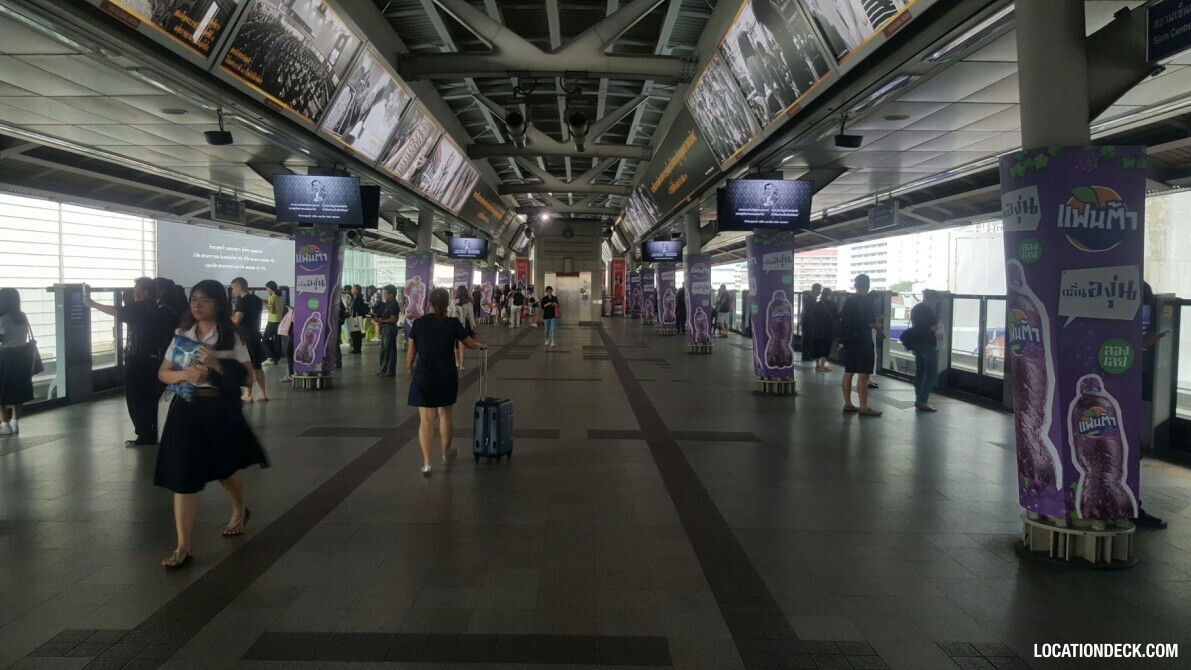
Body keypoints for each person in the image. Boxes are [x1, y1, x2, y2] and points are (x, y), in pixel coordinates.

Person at [155, 280, 268, 569]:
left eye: (205, 300)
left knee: (223, 469)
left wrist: (217, 365)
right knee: (184, 477)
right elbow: (163, 373)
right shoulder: (182, 335)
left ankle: (239, 509)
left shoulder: (231, 337)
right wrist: (185, 376)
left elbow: (247, 378)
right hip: (186, 409)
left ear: (218, 303)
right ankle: (183, 546)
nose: (197, 304)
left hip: (218, 409)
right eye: (194, 299)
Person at [407, 287, 487, 476]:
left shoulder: (418, 323)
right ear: (446, 304)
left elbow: (411, 351)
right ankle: (445, 453)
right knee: (445, 415)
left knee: (426, 420)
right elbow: (468, 343)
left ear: (429, 303)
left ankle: (427, 463)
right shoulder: (453, 323)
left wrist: (408, 368)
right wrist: (481, 346)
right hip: (446, 375)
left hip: (424, 375)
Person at [84, 277, 170, 445]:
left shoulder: (140, 308)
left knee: (136, 397)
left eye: (136, 288)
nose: (133, 292)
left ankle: (144, 433)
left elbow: (118, 311)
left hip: (137, 359)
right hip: (155, 359)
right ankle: (154, 430)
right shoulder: (158, 309)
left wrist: (93, 304)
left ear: (145, 292)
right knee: (151, 396)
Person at [838, 274, 882, 417]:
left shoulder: (849, 300)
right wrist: (877, 324)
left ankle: (848, 403)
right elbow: (869, 322)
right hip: (863, 340)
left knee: (848, 372)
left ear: (856, 285)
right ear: (867, 286)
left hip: (849, 340)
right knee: (863, 374)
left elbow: (843, 317)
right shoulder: (867, 301)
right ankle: (863, 406)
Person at [0, 288, 34, 436]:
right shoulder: (23, 316)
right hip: (22, 357)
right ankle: (15, 422)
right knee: (18, 390)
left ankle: (4, 424)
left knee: (1, 391)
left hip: (5, 357)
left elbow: (2, 338)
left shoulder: (4, 319)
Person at [230, 277, 268, 403]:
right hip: (256, 335)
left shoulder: (242, 302)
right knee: (257, 365)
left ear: (240, 288)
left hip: (245, 337)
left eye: (233, 288)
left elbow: (237, 320)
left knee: (246, 366)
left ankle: (249, 393)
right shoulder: (257, 300)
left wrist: (228, 316)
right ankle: (263, 394)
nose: (233, 291)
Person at [908, 290, 943, 412]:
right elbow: (933, 327)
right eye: (936, 301)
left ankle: (919, 399)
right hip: (927, 344)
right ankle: (923, 401)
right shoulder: (926, 311)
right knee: (931, 372)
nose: (936, 303)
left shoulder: (916, 309)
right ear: (931, 299)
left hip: (917, 344)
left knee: (920, 372)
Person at [371, 285, 400, 377]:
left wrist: (380, 321)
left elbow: (393, 319)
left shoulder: (394, 305)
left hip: (389, 328)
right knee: (384, 350)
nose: (384, 295)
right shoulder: (388, 304)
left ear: (392, 294)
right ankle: (383, 369)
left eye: (386, 293)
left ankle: (390, 370)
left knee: (389, 350)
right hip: (385, 328)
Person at [450, 286, 477, 371]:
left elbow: (449, 314)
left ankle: (457, 362)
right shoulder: (468, 302)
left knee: (454, 345)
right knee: (462, 345)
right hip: (463, 325)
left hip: (453, 325)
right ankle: (462, 365)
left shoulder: (452, 301)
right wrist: (472, 326)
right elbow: (471, 316)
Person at [811, 287, 839, 372]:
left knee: (816, 345)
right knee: (825, 346)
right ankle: (822, 365)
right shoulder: (833, 304)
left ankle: (817, 364)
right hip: (828, 329)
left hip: (816, 328)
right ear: (830, 294)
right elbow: (836, 317)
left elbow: (813, 315)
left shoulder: (816, 304)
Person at [263, 281, 284, 365]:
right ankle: (276, 358)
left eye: (267, 289)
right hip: (279, 321)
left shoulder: (271, 298)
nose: (266, 290)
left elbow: (272, 311)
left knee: (265, 340)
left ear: (270, 288)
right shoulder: (279, 297)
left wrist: (265, 304)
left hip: (272, 322)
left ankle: (270, 357)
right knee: (277, 340)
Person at [349, 285, 368, 354]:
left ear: (357, 290)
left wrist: (353, 316)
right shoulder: (354, 298)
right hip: (354, 317)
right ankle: (356, 348)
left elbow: (357, 308)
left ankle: (357, 349)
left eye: (353, 288)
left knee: (356, 333)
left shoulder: (358, 298)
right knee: (355, 333)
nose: (351, 290)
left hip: (356, 317)